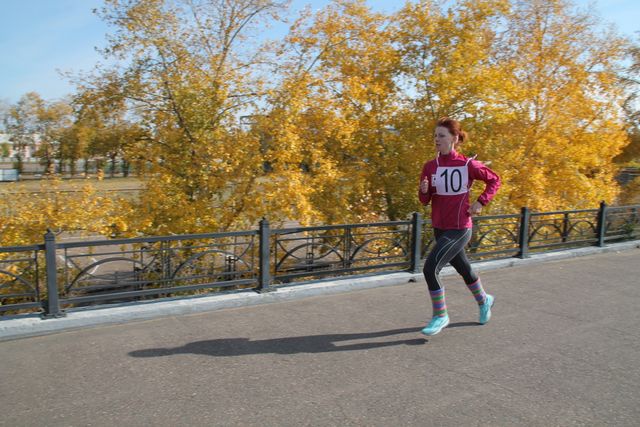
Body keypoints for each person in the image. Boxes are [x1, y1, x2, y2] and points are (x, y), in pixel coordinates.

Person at [418, 117, 501, 336]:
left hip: (460, 227)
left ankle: (440, 315)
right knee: (464, 269)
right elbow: (424, 201)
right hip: (440, 228)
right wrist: (424, 190)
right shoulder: (430, 166)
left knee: (430, 269)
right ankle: (484, 300)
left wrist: (480, 202)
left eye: (441, 135)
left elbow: (495, 180)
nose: (437, 139)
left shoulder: (467, 165)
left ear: (454, 138)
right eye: (435, 136)